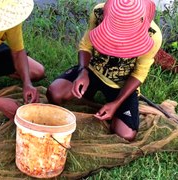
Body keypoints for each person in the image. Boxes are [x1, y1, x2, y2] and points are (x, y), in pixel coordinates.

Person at [46, 0, 162, 141]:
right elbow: (86, 45)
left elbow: (140, 73)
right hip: (92, 71)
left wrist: (117, 103)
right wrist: (83, 71)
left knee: (126, 134)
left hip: (121, 85)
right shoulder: (98, 12)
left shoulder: (153, 36)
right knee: (54, 93)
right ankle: (88, 90)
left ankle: (112, 104)